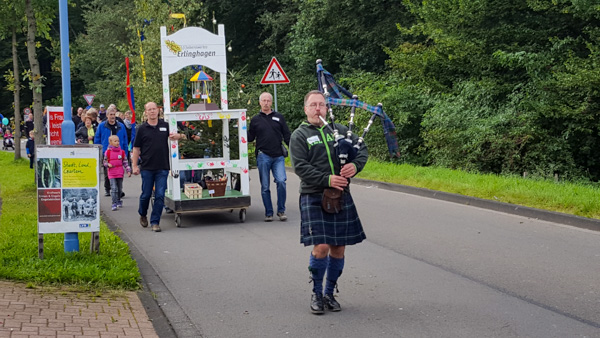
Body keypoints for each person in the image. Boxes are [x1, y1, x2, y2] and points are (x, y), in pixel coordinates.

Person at [290, 90, 368, 315]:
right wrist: (327, 179)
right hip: (313, 194)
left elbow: (361, 150)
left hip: (340, 195)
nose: (317, 109)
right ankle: (316, 292)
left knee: (339, 247)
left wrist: (356, 166)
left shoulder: (340, 131)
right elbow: (300, 167)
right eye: (313, 105)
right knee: (322, 246)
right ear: (305, 109)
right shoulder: (299, 135)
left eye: (321, 105)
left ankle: (329, 293)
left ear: (326, 108)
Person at [131, 101, 184, 232]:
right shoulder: (142, 129)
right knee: (146, 194)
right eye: (149, 109)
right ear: (146, 112)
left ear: (158, 111)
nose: (152, 111)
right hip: (147, 167)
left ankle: (155, 222)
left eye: (154, 109)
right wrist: (134, 166)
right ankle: (142, 214)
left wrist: (179, 136)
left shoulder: (165, 126)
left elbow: (180, 135)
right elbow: (136, 148)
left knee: (160, 195)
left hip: (162, 167)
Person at [247, 92, 291, 222]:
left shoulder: (279, 117)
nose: (266, 103)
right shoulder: (255, 119)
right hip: (263, 155)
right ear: (260, 102)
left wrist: (294, 149)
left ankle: (281, 210)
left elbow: (287, 135)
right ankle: (269, 212)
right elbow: (250, 138)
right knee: (265, 186)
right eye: (264, 100)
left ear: (271, 102)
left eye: (268, 100)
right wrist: (240, 128)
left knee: (281, 181)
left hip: (278, 156)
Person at [94, 107, 128, 196]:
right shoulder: (102, 126)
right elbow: (97, 139)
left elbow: (125, 139)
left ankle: (118, 189)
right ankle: (108, 189)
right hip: (107, 152)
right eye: (111, 115)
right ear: (107, 115)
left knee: (119, 172)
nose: (112, 116)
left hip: (119, 152)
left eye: (114, 115)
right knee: (107, 172)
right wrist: (98, 151)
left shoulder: (121, 126)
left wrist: (125, 153)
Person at [104, 135, 131, 211]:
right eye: (115, 141)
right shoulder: (108, 152)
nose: (117, 143)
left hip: (119, 173)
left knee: (119, 188)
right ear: (110, 142)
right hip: (111, 173)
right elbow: (104, 162)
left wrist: (128, 170)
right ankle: (114, 203)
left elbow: (125, 162)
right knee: (114, 188)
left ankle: (118, 199)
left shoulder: (122, 152)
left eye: (118, 141)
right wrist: (107, 164)